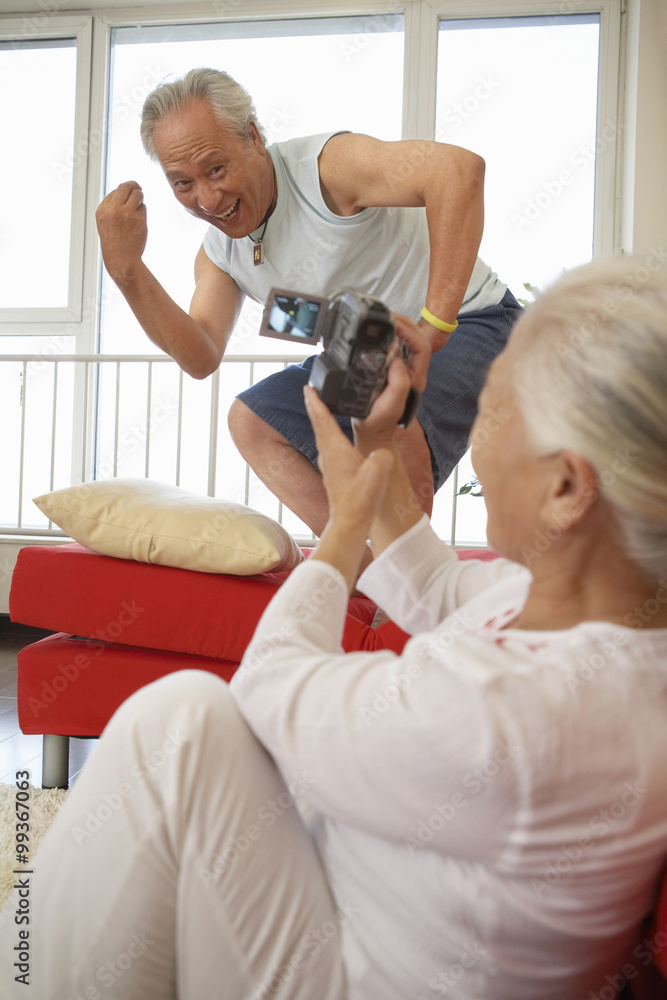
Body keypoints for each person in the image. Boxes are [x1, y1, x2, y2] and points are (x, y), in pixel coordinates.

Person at [3, 255, 667, 999]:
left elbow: (270, 685)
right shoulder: (575, 614)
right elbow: (440, 583)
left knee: (182, 724)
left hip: (354, 978)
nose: (472, 440)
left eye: (488, 410)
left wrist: (342, 526)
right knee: (185, 730)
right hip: (345, 920)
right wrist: (376, 446)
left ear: (565, 487)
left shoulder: (526, 713)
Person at [95, 67, 523, 539]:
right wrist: (126, 271)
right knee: (252, 421)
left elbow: (459, 172)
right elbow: (200, 355)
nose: (208, 199)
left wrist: (435, 325)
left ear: (254, 137)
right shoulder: (219, 253)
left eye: (216, 169)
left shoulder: (327, 166)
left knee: (388, 408)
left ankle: (407, 584)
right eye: (183, 184)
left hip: (475, 322)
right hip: (370, 348)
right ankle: (364, 563)